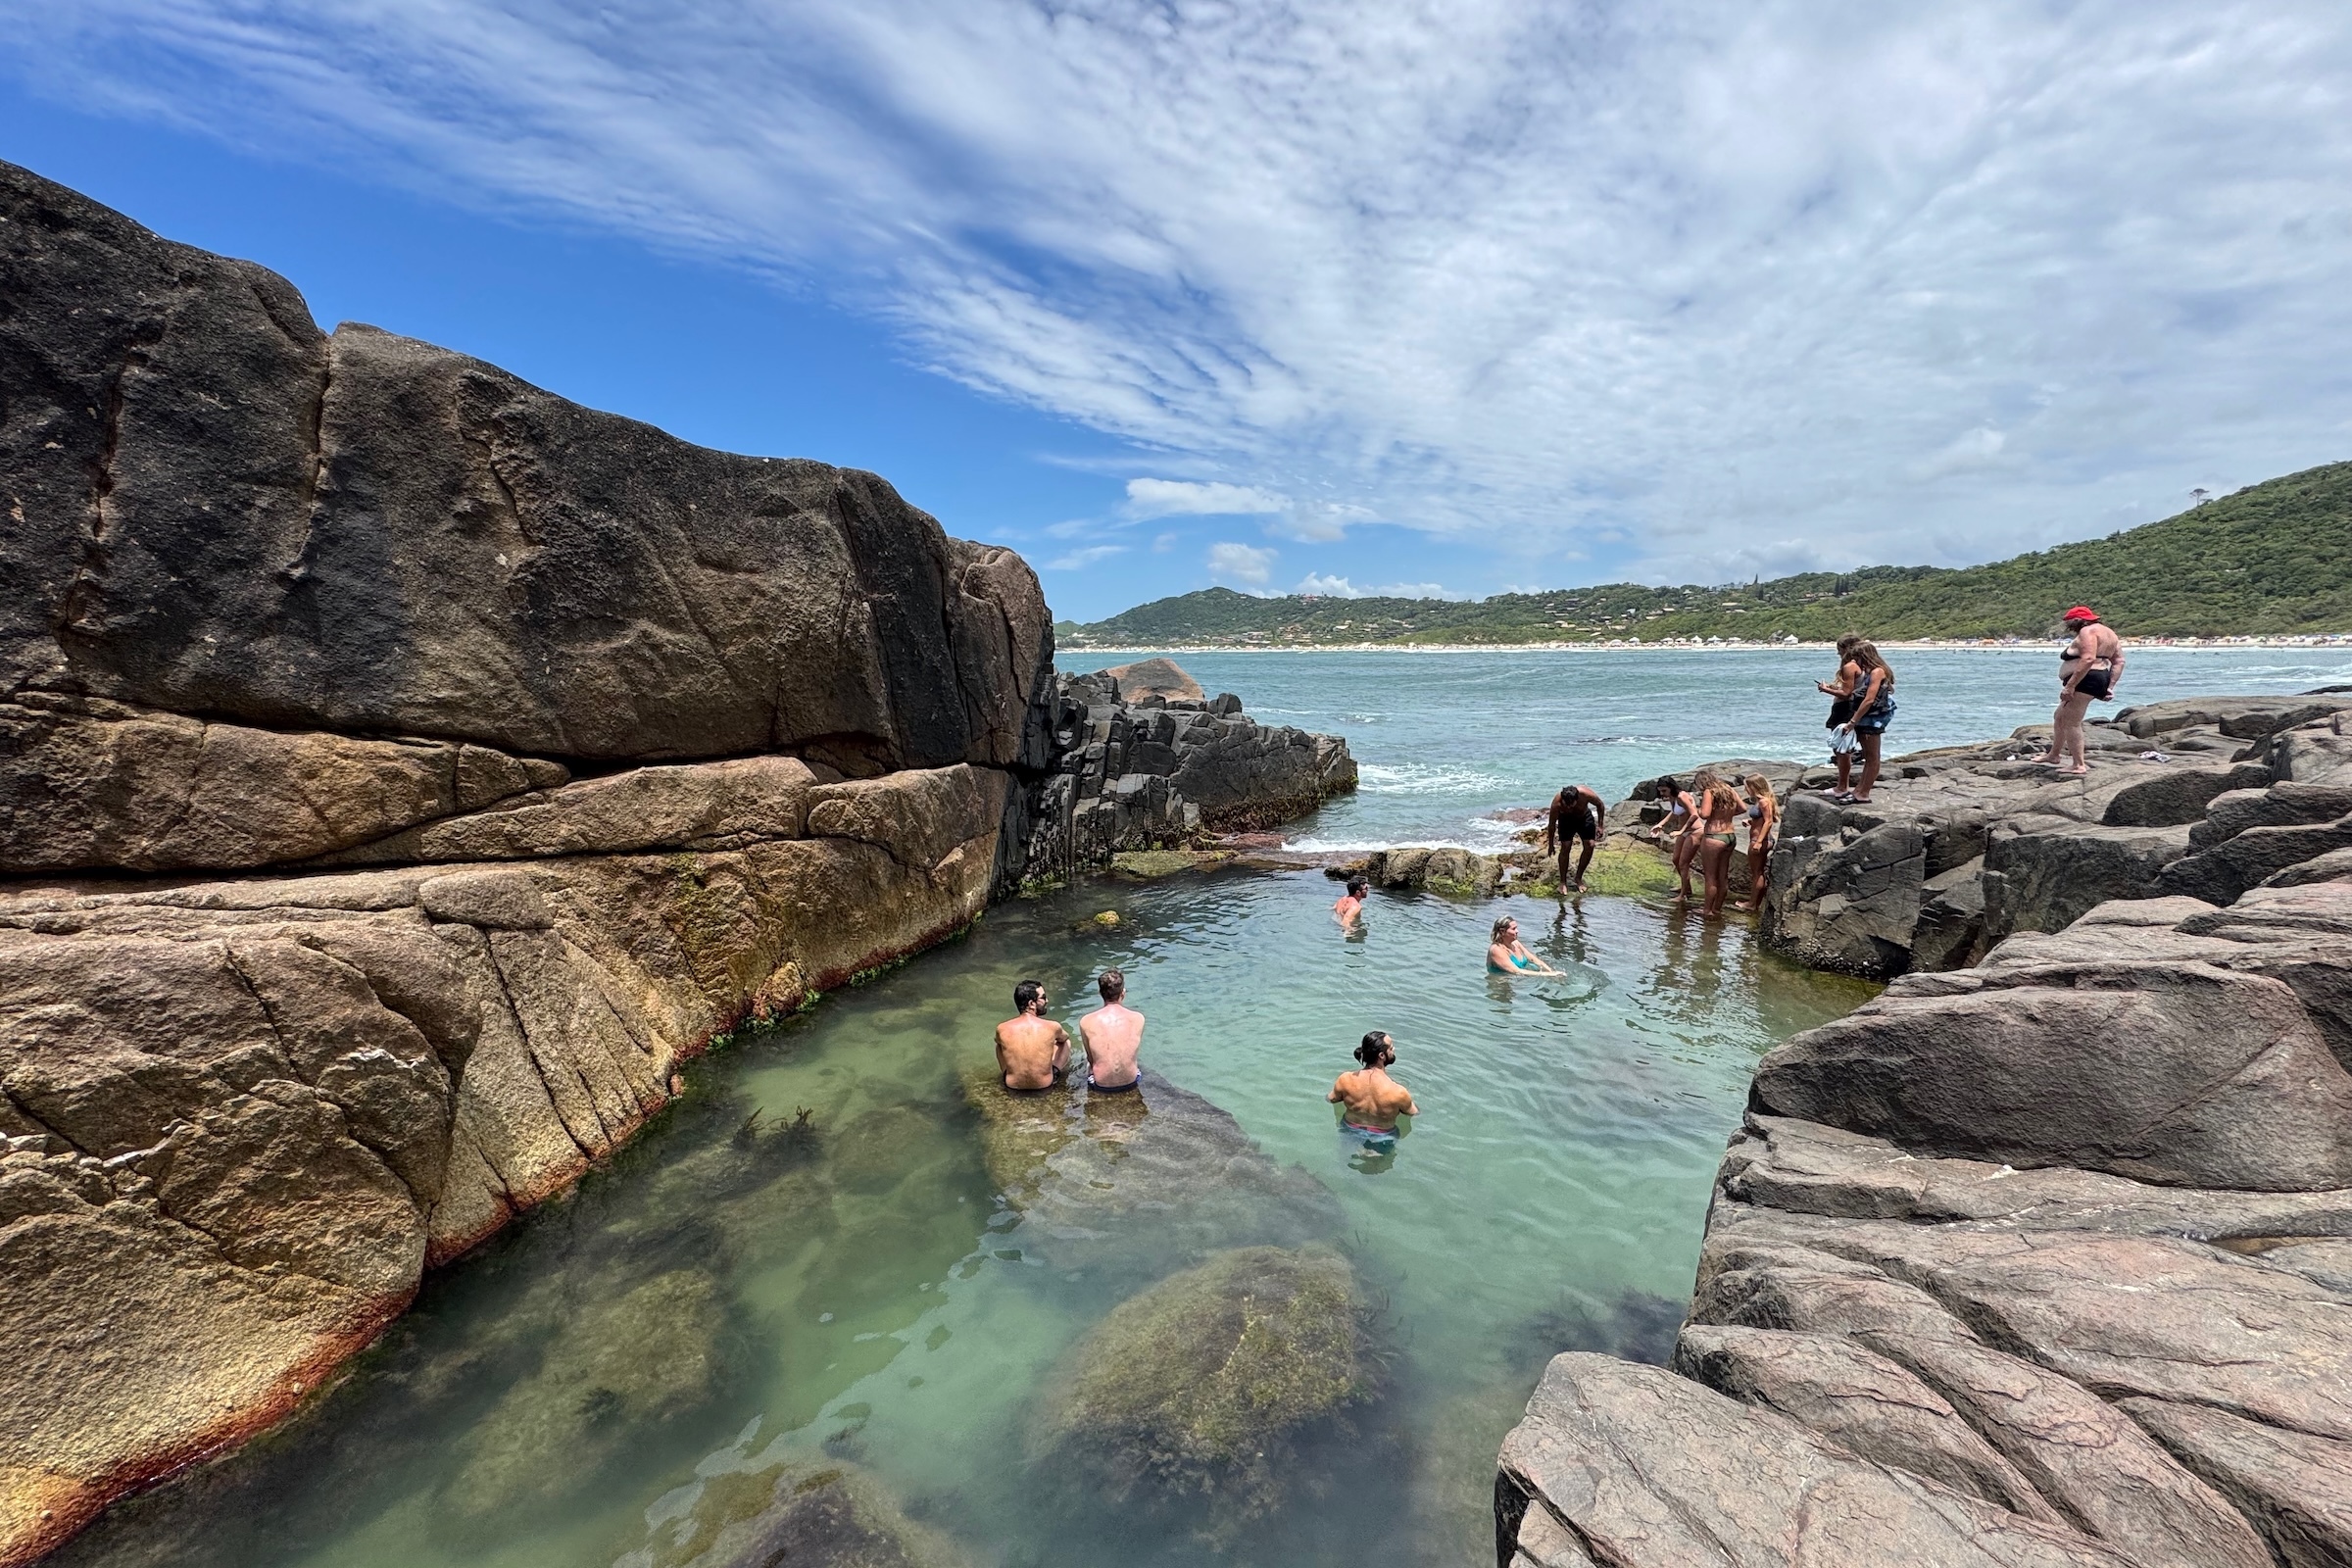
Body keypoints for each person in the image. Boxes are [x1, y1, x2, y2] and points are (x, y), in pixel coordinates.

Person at [2034, 608, 2126, 777]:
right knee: (2059, 716)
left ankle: (2078, 765)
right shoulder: (2109, 633)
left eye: (2069, 623)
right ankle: (2053, 755)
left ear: (2077, 621)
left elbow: (2088, 658)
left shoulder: (2087, 631)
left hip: (2085, 680)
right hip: (2098, 677)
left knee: (2071, 722)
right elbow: (2119, 661)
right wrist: (2110, 686)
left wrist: (2070, 686)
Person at [1833, 642, 1896, 805]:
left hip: (1872, 718)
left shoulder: (1877, 671)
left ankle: (1863, 792)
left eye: (1858, 657)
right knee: (1869, 756)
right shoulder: (1875, 671)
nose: (1856, 662)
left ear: (1865, 656)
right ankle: (1859, 790)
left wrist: (1853, 721)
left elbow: (1869, 699)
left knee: (1872, 757)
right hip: (1868, 716)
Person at [1327, 1030, 1418, 1138]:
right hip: (1383, 1136)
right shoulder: (1398, 1092)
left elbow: (1331, 1099)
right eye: (1391, 1048)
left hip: (1350, 1129)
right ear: (1381, 1055)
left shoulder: (1345, 1080)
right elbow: (1412, 1112)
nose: (1394, 1049)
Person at [993, 979, 1070, 1092]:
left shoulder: (1002, 1028)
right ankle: (1055, 1072)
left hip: (1012, 1086)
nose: (1047, 1000)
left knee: (999, 1045)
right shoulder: (1052, 1026)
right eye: (1043, 998)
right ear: (1031, 1004)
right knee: (1064, 1042)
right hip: (1044, 1085)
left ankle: (1008, 1073)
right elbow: (1065, 1037)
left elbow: (997, 1041)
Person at [1077, 967, 1145, 1092]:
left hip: (1100, 1085)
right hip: (1131, 1082)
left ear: (1100, 993)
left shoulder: (1086, 1021)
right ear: (1123, 993)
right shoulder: (1138, 1018)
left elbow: (1091, 1060)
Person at [1815, 635, 1864, 795]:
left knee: (1841, 749)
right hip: (1848, 707)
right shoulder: (1860, 666)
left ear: (1846, 649)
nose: (1838, 654)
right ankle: (1843, 785)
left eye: (1839, 651)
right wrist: (1833, 687)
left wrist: (1825, 689)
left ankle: (1842, 786)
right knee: (1842, 748)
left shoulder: (1850, 666)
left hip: (1844, 708)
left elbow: (1846, 693)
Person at [1690, 768, 1739, 917]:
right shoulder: (1728, 789)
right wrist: (1725, 814)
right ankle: (1717, 909)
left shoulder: (1708, 792)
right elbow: (1742, 808)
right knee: (1722, 876)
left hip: (1714, 837)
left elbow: (1705, 814)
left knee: (1710, 876)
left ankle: (1707, 910)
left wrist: (1695, 809)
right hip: (1730, 836)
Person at [1543, 784, 1606, 892]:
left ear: (1577, 799)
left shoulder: (1585, 794)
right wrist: (1551, 845)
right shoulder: (1556, 804)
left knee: (1590, 845)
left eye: (1571, 805)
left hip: (1584, 817)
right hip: (1566, 821)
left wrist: (1600, 826)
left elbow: (1600, 805)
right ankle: (1563, 882)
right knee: (1565, 847)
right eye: (1566, 805)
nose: (1569, 807)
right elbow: (1552, 825)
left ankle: (1578, 878)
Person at [1646, 776, 1700, 902]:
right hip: (1683, 832)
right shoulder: (1673, 798)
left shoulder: (1682, 796)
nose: (1662, 794)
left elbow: (1694, 814)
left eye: (1664, 790)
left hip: (1695, 831)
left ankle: (1683, 895)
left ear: (1671, 787)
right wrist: (1661, 824)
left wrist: (1681, 831)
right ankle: (1686, 887)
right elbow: (1674, 812)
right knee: (1676, 859)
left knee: (1683, 863)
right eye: (1660, 791)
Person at [1739, 774, 1780, 913]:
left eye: (1747, 786)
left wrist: (1759, 842)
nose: (1746, 789)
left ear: (1754, 787)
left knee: (1757, 873)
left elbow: (1768, 822)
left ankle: (1752, 904)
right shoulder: (1762, 801)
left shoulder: (1764, 802)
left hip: (1760, 840)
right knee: (1758, 872)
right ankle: (1754, 902)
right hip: (1759, 838)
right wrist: (1750, 822)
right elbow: (1762, 821)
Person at [1487, 913, 1563, 975]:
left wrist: (1550, 970)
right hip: (1499, 985)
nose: (1517, 931)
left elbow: (1532, 959)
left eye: (1516, 928)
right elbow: (1516, 971)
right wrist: (1549, 975)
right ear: (1502, 932)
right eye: (1513, 929)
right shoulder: (1496, 950)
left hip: (1514, 982)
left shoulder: (1515, 943)